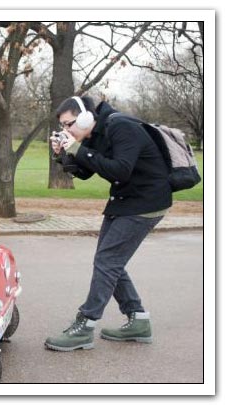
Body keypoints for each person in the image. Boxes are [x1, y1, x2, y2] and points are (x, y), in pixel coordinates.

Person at [44, 96, 172, 351]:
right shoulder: (95, 134)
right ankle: (138, 319)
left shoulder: (122, 127)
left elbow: (120, 170)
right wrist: (63, 155)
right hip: (125, 200)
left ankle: (85, 325)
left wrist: (78, 149)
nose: (66, 130)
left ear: (86, 117)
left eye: (69, 124)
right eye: (63, 126)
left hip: (146, 201)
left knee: (107, 261)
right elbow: (86, 171)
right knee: (109, 262)